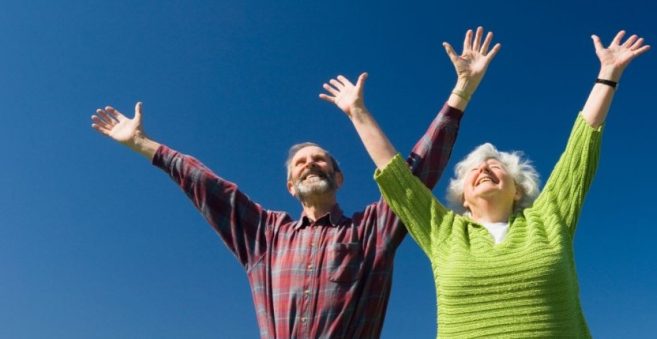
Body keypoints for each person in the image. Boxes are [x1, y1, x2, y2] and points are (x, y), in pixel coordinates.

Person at [90, 27, 500, 338]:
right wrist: (145, 145)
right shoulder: (265, 236)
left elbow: (413, 175)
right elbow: (209, 186)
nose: (311, 164)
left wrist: (460, 94)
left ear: (338, 177)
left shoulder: (371, 232)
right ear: (290, 185)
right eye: (301, 162)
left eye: (321, 160)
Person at [334, 30, 650, 337]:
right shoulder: (443, 231)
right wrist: (357, 112)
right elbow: (396, 178)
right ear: (463, 196)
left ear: (518, 189)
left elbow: (580, 150)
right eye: (474, 168)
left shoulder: (548, 219)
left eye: (496, 165)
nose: (484, 167)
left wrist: (608, 75)